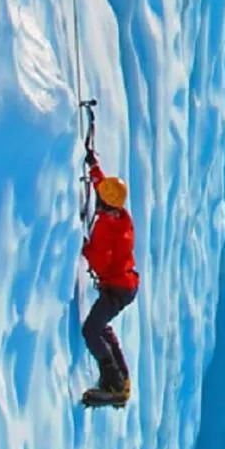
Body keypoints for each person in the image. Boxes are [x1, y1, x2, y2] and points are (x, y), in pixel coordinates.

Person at [81, 153, 139, 404]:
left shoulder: (107, 226)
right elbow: (106, 189)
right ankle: (122, 378)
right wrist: (94, 167)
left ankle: (114, 381)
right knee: (101, 327)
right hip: (126, 285)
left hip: (116, 288)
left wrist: (84, 248)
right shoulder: (121, 217)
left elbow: (99, 260)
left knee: (91, 329)